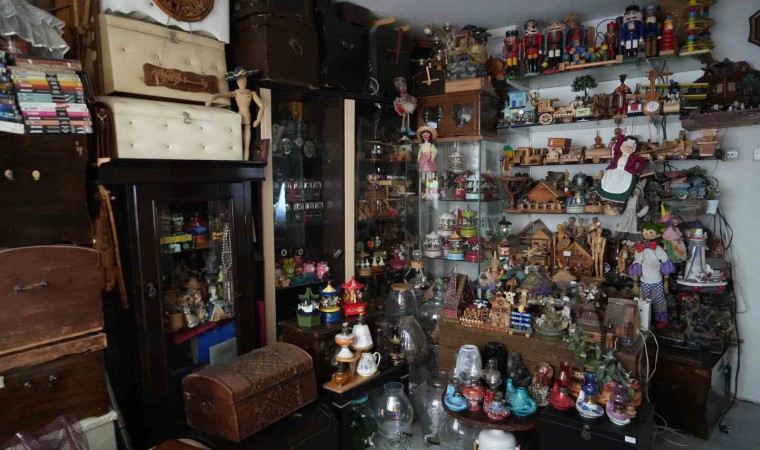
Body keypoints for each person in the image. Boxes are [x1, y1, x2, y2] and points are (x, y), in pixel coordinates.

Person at [206, 67, 265, 160]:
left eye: (244, 79)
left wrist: (258, 120)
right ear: (237, 82)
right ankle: (239, 160)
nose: (243, 82)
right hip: (239, 116)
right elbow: (224, 94)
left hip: (247, 117)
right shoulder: (236, 92)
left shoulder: (251, 93)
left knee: (247, 145)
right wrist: (214, 96)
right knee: (238, 140)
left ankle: (245, 161)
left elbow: (261, 106)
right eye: (240, 80)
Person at [597, 136, 646, 203]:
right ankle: (607, 196)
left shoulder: (634, 157)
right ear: (622, 147)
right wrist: (622, 135)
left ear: (633, 149)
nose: (628, 149)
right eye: (627, 147)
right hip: (613, 172)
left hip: (626, 173)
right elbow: (617, 146)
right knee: (609, 184)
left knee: (623, 185)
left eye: (631, 147)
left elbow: (643, 162)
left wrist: (639, 171)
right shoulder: (617, 154)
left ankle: (621, 197)